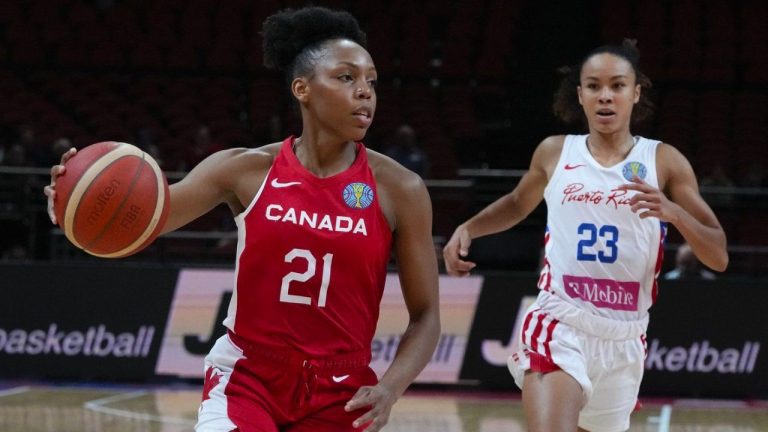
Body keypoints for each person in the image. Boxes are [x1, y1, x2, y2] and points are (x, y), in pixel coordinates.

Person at [45, 6, 440, 432]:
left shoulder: (401, 189)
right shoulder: (243, 169)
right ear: (302, 89)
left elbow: (427, 314)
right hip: (249, 378)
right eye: (346, 77)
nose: (365, 91)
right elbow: (145, 222)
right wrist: (70, 207)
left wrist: (390, 388)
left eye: (371, 81)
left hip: (342, 391)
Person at [443, 39, 727, 432]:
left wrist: (674, 212)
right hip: (561, 323)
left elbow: (718, 256)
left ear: (636, 92)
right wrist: (469, 228)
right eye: (594, 86)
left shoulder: (663, 161)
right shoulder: (555, 152)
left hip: (625, 337)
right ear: (580, 95)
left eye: (617, 85)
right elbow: (516, 203)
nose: (605, 96)